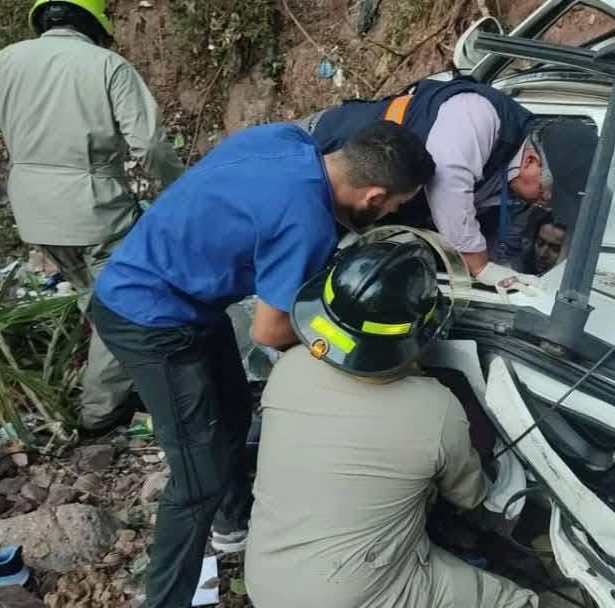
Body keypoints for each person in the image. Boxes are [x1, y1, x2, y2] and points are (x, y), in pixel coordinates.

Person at [88, 121, 435, 608]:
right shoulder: (307, 222)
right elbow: (269, 332)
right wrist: (353, 340)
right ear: (374, 197)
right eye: (395, 206)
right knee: (196, 478)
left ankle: (233, 526)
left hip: (184, 294)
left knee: (231, 412)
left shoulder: (286, 140)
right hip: (147, 320)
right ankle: (165, 600)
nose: (389, 214)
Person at [246, 237, 538, 608]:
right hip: (352, 597)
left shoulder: (290, 367)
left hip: (265, 580)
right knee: (513, 600)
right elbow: (472, 496)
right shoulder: (435, 408)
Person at [0, 0, 184, 434]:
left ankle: (112, 377)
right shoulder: (108, 65)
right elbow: (148, 145)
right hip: (94, 208)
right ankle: (99, 414)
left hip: (34, 212)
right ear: (94, 21)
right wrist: (180, 191)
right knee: (126, 303)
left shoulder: (3, 62)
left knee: (94, 295)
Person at [297, 77, 597, 287]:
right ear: (531, 162)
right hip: (324, 157)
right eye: (546, 193)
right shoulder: (479, 115)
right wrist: (479, 266)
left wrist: (508, 274)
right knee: (288, 250)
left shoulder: (517, 191)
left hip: (368, 208)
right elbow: (448, 181)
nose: (543, 203)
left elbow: (506, 243)